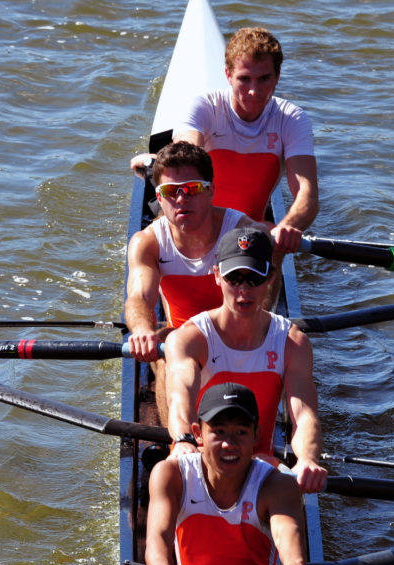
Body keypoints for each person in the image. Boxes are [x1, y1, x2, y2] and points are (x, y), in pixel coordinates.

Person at [146, 382, 315, 565]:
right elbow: (157, 537)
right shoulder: (172, 474)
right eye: (219, 431)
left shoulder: (277, 484)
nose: (229, 444)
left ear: (256, 437)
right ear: (198, 434)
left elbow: (286, 530)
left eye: (240, 432)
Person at [124, 141, 280, 425]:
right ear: (159, 198)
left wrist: (258, 324)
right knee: (165, 348)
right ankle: (176, 444)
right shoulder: (147, 242)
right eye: (171, 192)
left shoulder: (242, 232)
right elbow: (138, 298)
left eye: (192, 189)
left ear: (211, 190)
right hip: (180, 334)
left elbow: (268, 281)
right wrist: (143, 330)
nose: (181, 199)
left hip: (236, 325)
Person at [163, 227, 328, 494]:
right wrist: (183, 439)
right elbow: (180, 395)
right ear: (217, 276)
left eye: (254, 278)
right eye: (234, 278)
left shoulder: (292, 343)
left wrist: (307, 459)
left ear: (271, 277)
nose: (243, 290)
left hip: (259, 466)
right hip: (199, 461)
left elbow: (305, 416)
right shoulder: (190, 339)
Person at [131, 27, 317, 256]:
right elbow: (185, 167)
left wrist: (284, 229)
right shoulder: (203, 107)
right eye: (244, 79)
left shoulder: (291, 119)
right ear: (228, 75)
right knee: (174, 170)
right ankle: (155, 165)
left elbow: (307, 197)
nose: (253, 91)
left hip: (249, 231)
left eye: (264, 79)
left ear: (277, 76)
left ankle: (155, 161)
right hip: (193, 219)